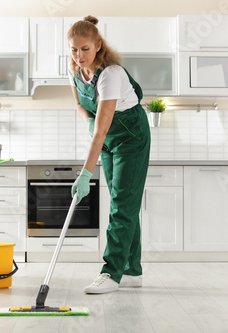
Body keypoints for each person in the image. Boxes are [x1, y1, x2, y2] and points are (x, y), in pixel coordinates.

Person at [68, 15, 151, 294]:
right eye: (74, 49)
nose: (79, 56)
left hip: (131, 135)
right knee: (122, 202)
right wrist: (87, 118)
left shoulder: (111, 75)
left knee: (122, 205)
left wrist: (84, 174)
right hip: (107, 138)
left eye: (85, 49)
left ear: (98, 46)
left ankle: (111, 273)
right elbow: (80, 106)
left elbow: (100, 133)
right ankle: (131, 270)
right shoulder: (75, 71)